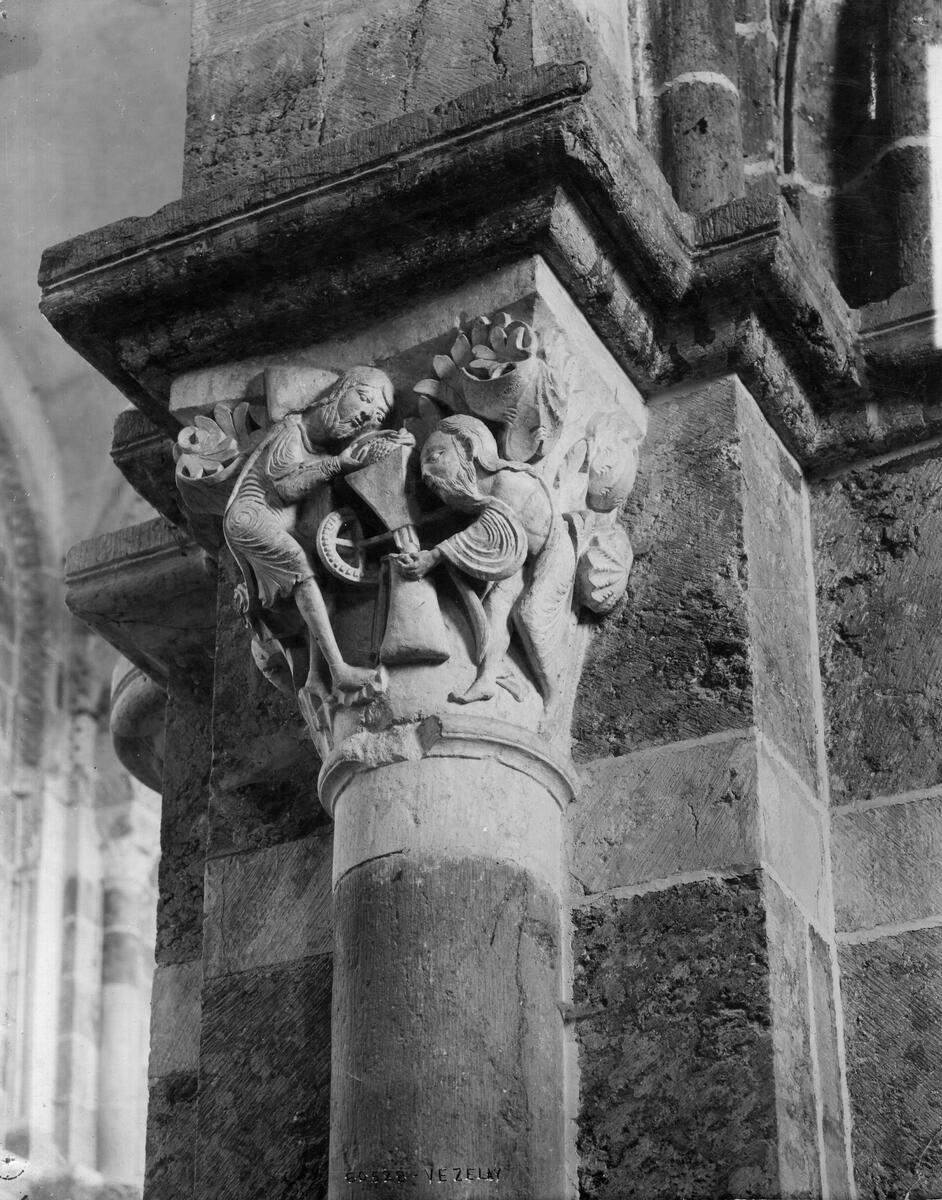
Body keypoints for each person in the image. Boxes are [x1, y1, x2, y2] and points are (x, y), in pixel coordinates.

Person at [224, 365, 409, 702]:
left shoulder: (325, 452)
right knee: (301, 566)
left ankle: (315, 678)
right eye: (364, 398)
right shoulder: (292, 430)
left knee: (321, 586)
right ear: (339, 391)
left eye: (376, 416)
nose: (365, 415)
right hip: (251, 515)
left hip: (282, 524)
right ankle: (339, 669)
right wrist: (338, 464)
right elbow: (285, 487)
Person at [394, 414, 574, 706]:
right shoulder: (482, 495)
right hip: (521, 559)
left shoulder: (510, 481)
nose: (427, 472)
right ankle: (487, 680)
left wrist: (434, 556)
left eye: (436, 456)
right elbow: (464, 522)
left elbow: (494, 529)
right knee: (496, 608)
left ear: (468, 447)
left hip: (553, 555)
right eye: (424, 468)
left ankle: (553, 695)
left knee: (529, 616)